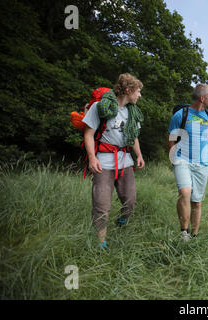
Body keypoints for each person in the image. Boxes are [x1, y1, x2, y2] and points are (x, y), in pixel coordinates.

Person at [82, 73, 145, 248]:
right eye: (138, 91)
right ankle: (101, 242)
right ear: (127, 89)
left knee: (130, 201)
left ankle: (123, 219)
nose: (139, 95)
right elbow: (88, 133)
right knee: (101, 204)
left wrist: (138, 155)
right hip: (103, 162)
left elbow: (134, 137)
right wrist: (92, 158)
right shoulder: (99, 107)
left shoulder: (132, 112)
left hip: (125, 161)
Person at [168, 84, 208, 241]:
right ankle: (184, 232)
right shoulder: (180, 115)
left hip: (201, 164)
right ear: (202, 98)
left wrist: (206, 153)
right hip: (182, 160)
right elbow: (171, 139)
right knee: (185, 193)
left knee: (196, 201)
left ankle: (194, 236)